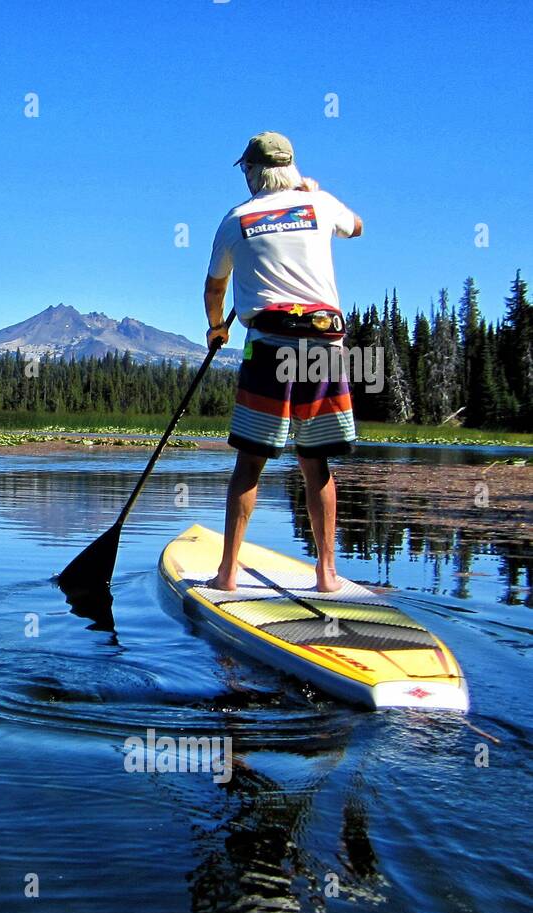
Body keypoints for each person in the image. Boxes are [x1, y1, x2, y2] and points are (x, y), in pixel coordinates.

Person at [203, 131, 363, 593]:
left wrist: (217, 327)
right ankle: (327, 574)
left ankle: (228, 573)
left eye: (246, 171)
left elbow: (215, 288)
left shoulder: (236, 220)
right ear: (290, 168)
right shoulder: (322, 203)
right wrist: (316, 194)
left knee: (250, 463)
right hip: (324, 346)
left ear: (253, 171)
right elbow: (358, 225)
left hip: (268, 346)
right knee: (317, 461)